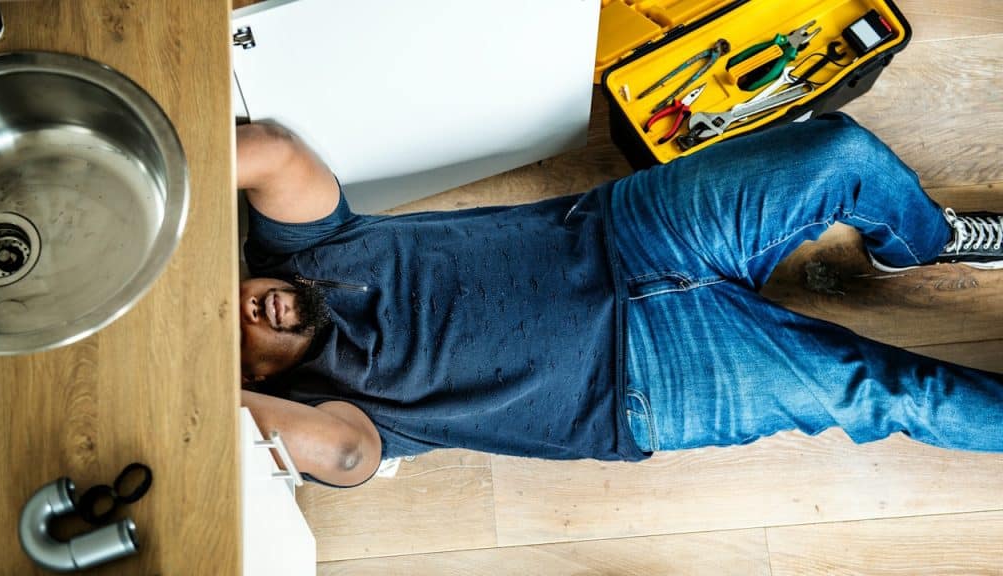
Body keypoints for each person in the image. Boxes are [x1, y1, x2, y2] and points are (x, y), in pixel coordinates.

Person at [237, 114, 1003, 488]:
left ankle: (920, 242)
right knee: (896, 392)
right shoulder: (339, 408)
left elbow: (271, 149)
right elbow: (342, 456)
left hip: (626, 234)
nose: (244, 309)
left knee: (837, 154)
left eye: (223, 296)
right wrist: (217, 396)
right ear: (259, 386)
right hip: (650, 382)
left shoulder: (305, 248)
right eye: (230, 337)